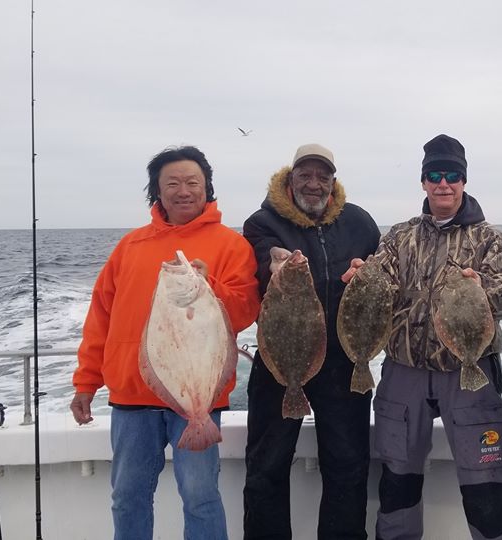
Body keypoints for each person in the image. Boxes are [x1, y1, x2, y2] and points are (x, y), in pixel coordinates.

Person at [70, 145, 261, 540]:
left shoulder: (231, 245)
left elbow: (246, 310)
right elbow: (100, 318)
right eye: (171, 183)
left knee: (200, 496)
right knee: (128, 495)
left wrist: (207, 285)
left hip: (198, 398)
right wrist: (86, 382)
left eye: (193, 182)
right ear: (157, 191)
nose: (183, 190)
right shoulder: (130, 247)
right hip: (132, 397)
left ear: (207, 187)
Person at [344, 134, 502, 540]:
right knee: (397, 482)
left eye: (452, 176)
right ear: (424, 182)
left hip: (470, 374)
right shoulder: (399, 237)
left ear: (463, 181)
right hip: (404, 374)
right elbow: (382, 282)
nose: (443, 184)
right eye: (435, 175)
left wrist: (480, 291)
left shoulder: (490, 240)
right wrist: (363, 276)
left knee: (488, 486)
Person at [242, 143, 380, 540]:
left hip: (343, 363)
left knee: (348, 464)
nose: (314, 184)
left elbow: (381, 274)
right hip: (280, 365)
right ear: (290, 178)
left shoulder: (359, 222)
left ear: (333, 183)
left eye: (323, 176)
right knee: (266, 466)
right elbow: (259, 258)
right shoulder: (262, 222)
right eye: (305, 175)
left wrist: (365, 271)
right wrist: (276, 263)